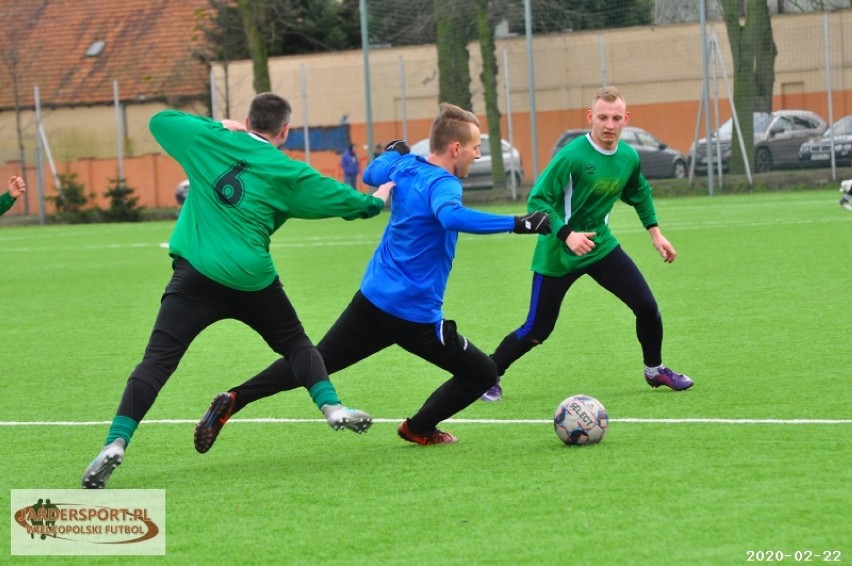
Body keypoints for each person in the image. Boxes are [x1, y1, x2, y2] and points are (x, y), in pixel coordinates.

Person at [193, 102, 552, 450]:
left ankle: (235, 398)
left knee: (316, 361)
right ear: (456, 148)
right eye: (474, 148)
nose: (476, 155)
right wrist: (519, 223)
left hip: (373, 301)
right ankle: (419, 428)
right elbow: (451, 217)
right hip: (416, 318)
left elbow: (370, 174)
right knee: (483, 374)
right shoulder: (445, 184)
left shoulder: (406, 166)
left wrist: (392, 153)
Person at [81, 93, 394, 488]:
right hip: (252, 278)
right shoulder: (287, 170)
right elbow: (355, 205)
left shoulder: (210, 140)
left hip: (196, 274)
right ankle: (331, 406)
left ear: (246, 120)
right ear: (285, 131)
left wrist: (217, 125)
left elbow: (161, 120)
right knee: (296, 343)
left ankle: (115, 444)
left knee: (157, 361)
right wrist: (378, 197)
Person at [480, 86, 693, 403]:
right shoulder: (571, 156)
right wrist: (567, 234)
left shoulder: (628, 157)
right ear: (591, 118)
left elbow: (640, 192)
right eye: (603, 117)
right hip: (558, 253)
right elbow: (538, 200)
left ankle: (654, 369)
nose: (609, 124)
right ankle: (487, 376)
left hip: (601, 247)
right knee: (537, 329)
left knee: (647, 308)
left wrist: (655, 233)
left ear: (626, 120)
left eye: (616, 118)